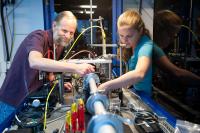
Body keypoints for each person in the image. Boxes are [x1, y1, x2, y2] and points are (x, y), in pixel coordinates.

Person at [0, 11, 95, 130]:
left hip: (30, 102)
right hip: (12, 99)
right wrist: (75, 68)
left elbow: (48, 72)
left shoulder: (58, 46)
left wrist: (57, 84)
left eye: (71, 33)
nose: (68, 35)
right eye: (64, 31)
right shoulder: (38, 37)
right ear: (54, 25)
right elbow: (35, 62)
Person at [98, 10, 153, 96]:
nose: (124, 40)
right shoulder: (133, 44)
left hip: (147, 98)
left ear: (140, 31)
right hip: (137, 92)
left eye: (129, 36)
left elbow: (140, 73)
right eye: (121, 35)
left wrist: (107, 86)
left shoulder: (146, 46)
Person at [153, 10, 200, 86]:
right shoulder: (154, 49)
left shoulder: (149, 43)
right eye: (173, 35)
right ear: (162, 31)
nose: (172, 40)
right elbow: (177, 73)